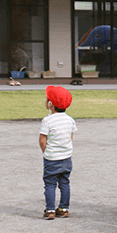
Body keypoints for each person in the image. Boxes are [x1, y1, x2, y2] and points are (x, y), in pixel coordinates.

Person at [40, 86, 76, 219]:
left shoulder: (47, 120)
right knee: (64, 183)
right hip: (66, 158)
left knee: (50, 184)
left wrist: (46, 152)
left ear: (50, 104)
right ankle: (64, 208)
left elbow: (42, 140)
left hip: (52, 159)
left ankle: (50, 210)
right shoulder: (70, 120)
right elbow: (70, 137)